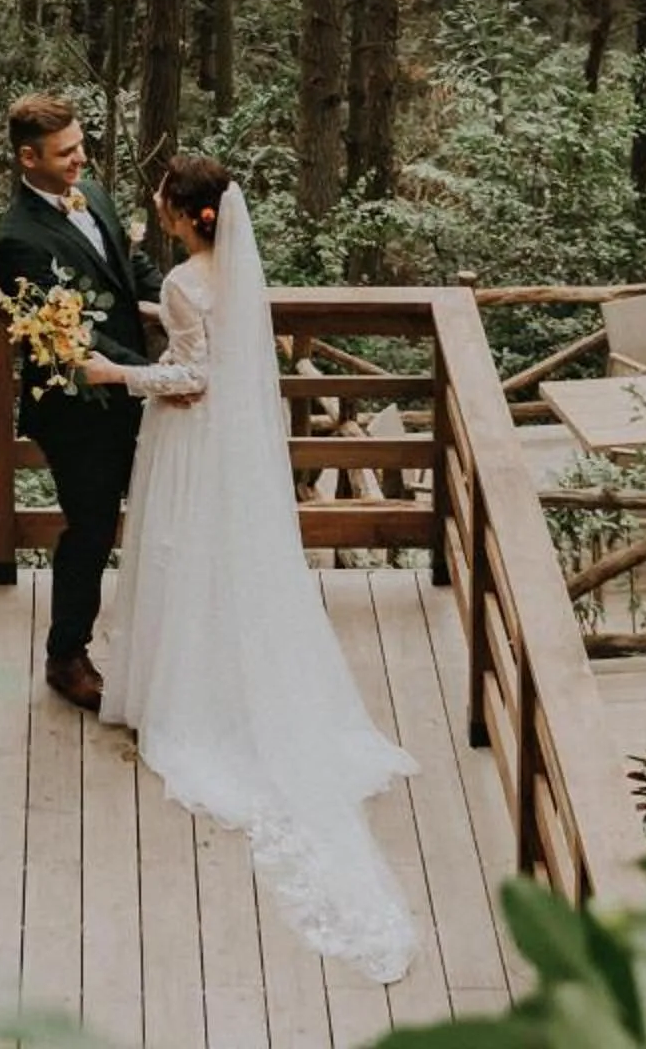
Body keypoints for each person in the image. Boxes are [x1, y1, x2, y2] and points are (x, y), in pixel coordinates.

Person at [84, 155, 421, 984]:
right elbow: (221, 357)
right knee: (227, 561)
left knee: (179, 553)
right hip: (237, 447)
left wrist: (114, 372)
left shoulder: (182, 283)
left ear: (190, 213)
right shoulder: (234, 276)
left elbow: (192, 379)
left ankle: (189, 692)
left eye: (165, 197)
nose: (155, 204)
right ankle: (231, 669)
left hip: (191, 439)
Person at [0, 93, 180, 713]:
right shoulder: (15, 242)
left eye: (80, 146)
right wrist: (151, 373)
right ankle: (65, 654)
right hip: (79, 412)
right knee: (93, 528)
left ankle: (167, 648)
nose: (80, 158)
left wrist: (180, 308)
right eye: (66, 152)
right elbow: (67, 334)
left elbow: (129, 263)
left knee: (162, 514)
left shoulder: (91, 192)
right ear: (28, 156)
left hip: (134, 389)